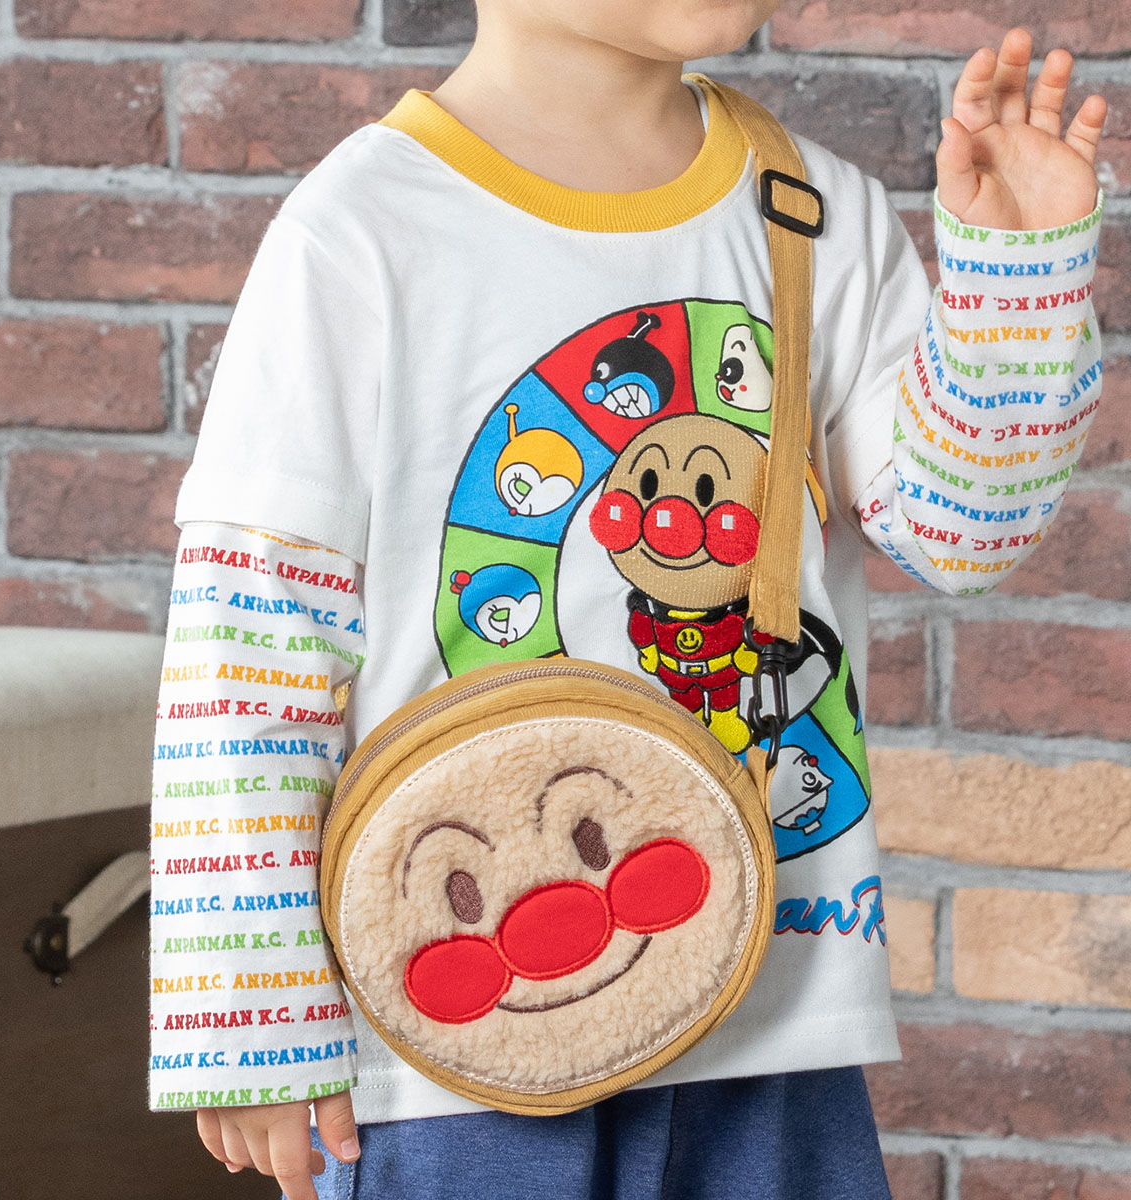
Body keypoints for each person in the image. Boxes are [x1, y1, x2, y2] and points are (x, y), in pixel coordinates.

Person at [146, 2, 1107, 1197]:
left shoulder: (814, 211)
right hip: (456, 1052)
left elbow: (957, 534)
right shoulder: (359, 234)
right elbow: (253, 638)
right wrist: (250, 1019)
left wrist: (1020, 279)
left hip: (767, 1014)